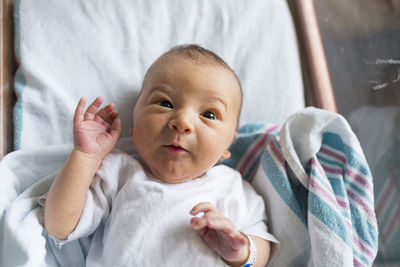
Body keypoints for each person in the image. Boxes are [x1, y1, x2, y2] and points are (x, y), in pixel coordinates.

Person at [43, 44, 277, 266]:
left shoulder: (233, 188)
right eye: (165, 103)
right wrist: (85, 156)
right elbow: (58, 226)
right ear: (133, 123)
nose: (182, 122)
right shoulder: (119, 173)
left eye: (210, 114)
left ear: (229, 143)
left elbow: (263, 250)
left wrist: (242, 251)